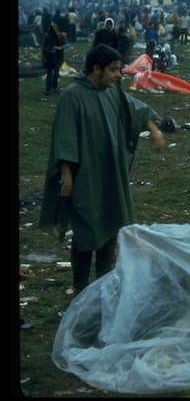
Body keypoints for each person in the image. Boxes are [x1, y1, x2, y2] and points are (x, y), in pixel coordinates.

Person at [38, 44, 166, 297]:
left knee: (111, 225)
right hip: (85, 176)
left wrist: (153, 129)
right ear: (96, 69)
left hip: (110, 174)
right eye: (114, 70)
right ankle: (80, 288)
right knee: (87, 230)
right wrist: (66, 176)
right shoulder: (72, 96)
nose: (119, 75)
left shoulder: (111, 91)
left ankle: (105, 284)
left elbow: (135, 109)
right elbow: (65, 137)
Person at [42, 21, 67, 96]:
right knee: (54, 72)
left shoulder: (51, 36)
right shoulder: (58, 35)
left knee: (51, 73)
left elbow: (43, 48)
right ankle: (52, 87)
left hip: (53, 56)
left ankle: (49, 88)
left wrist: (59, 47)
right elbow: (66, 44)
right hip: (54, 56)